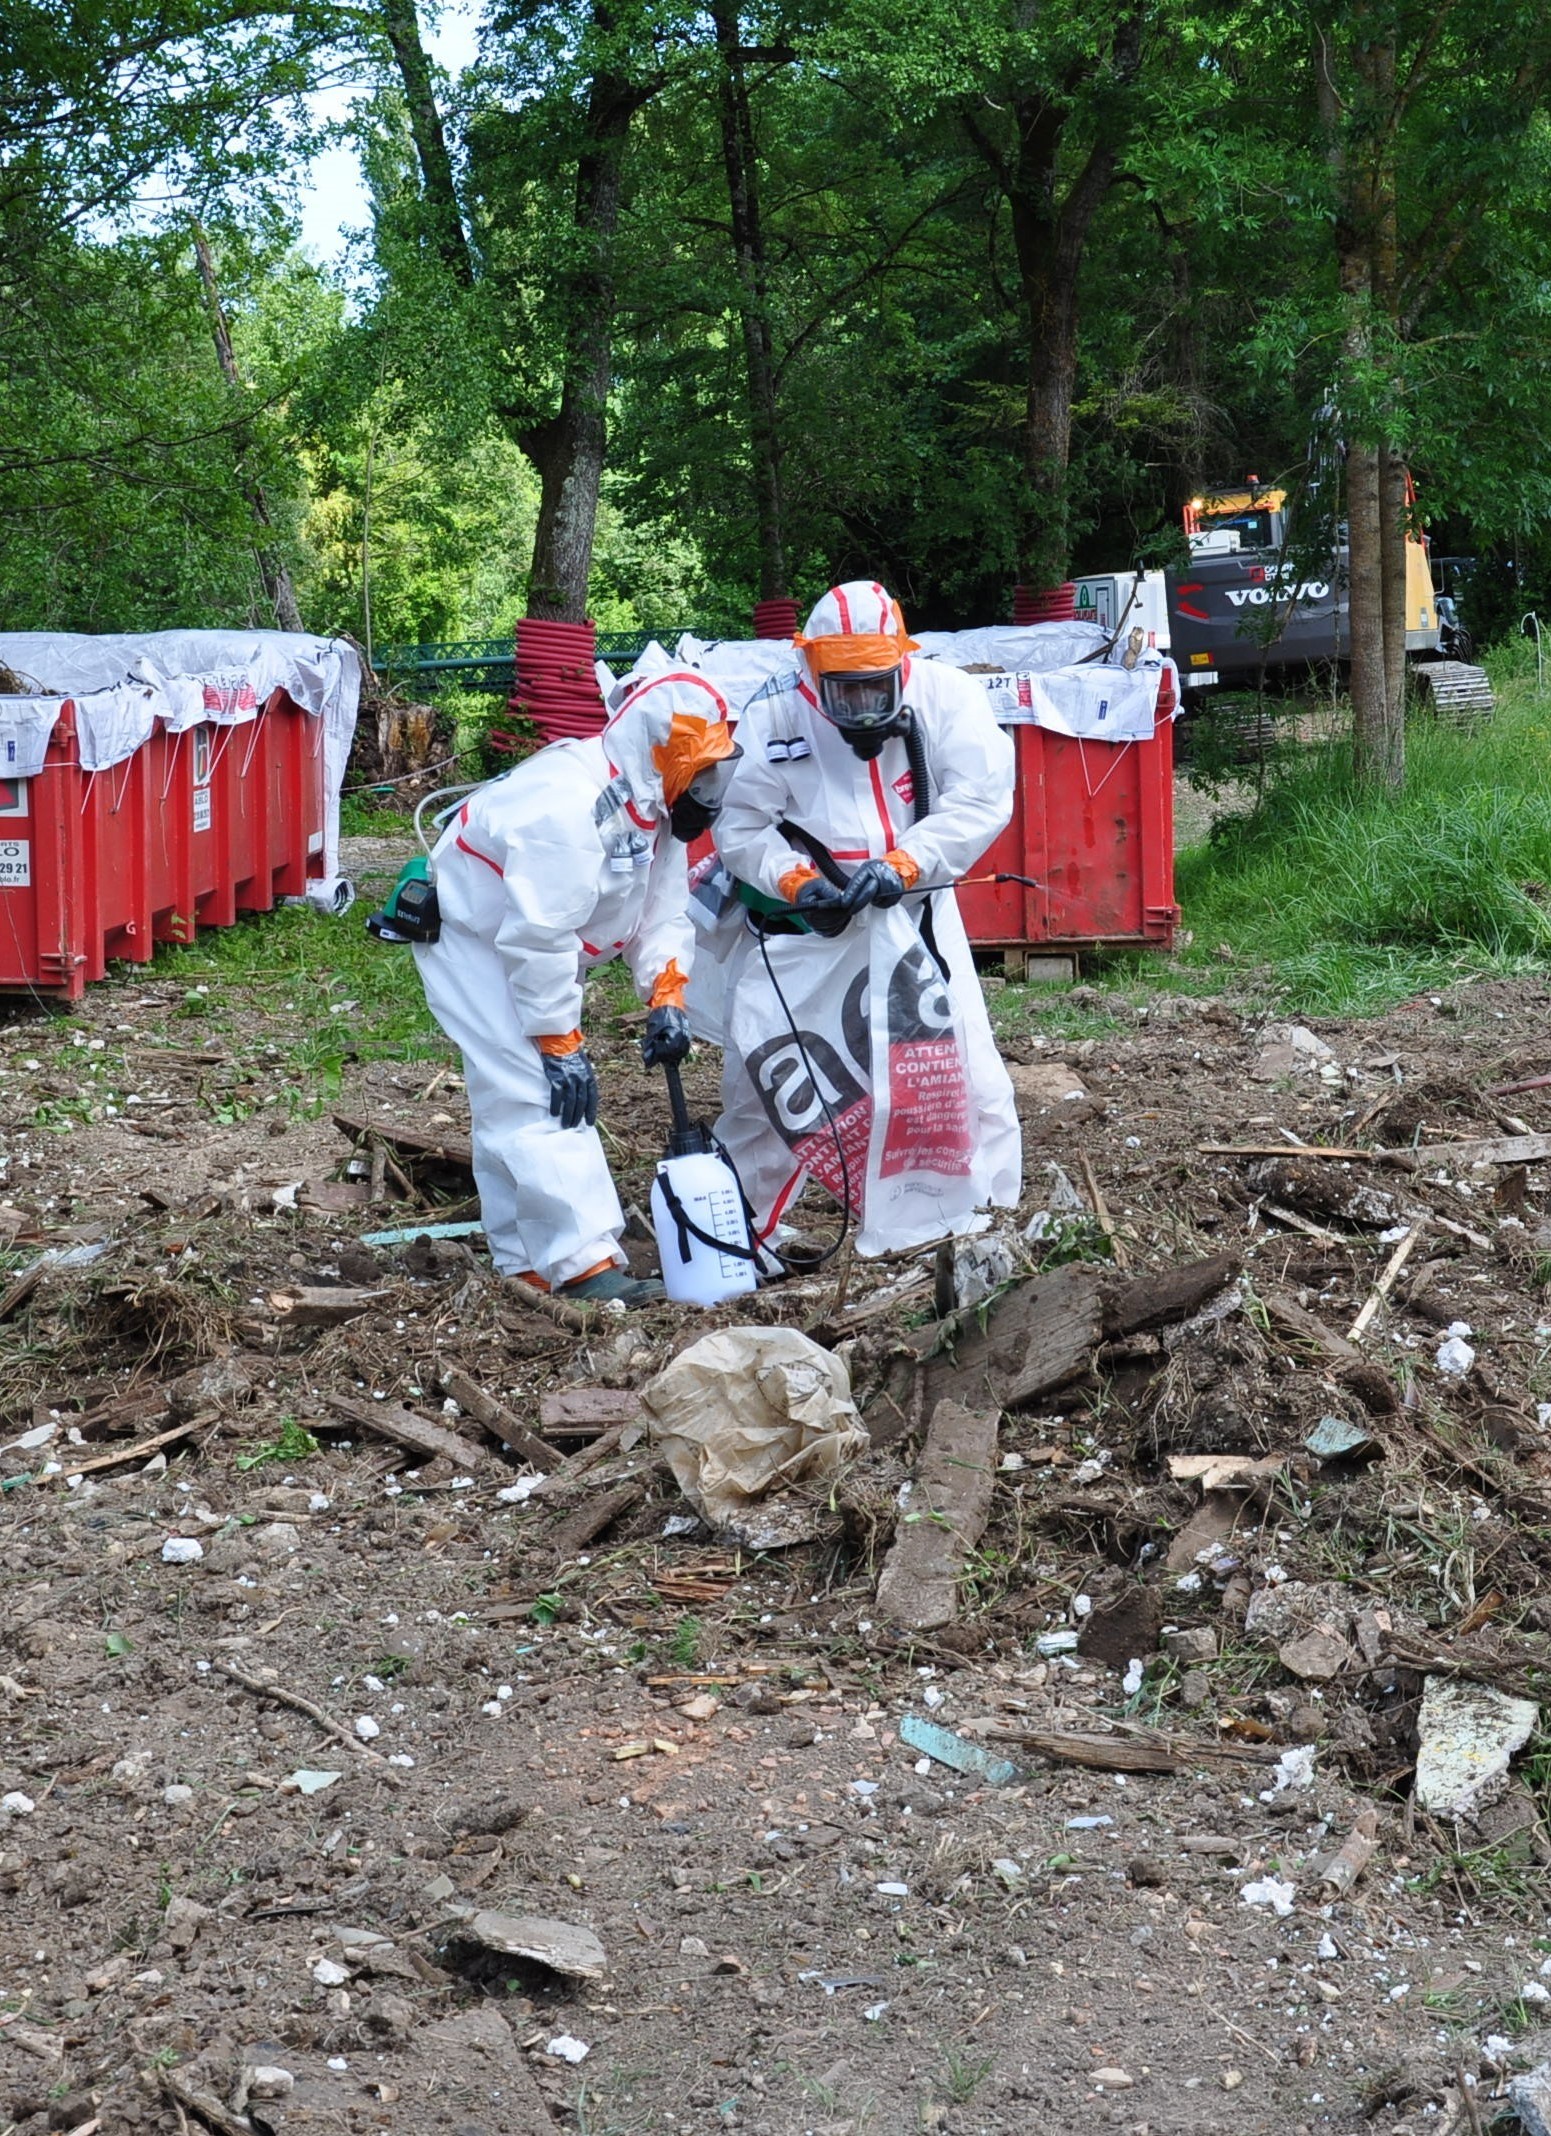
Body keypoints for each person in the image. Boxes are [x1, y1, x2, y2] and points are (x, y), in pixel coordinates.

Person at [711, 579, 1021, 1253]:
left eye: (873, 689)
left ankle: (985, 1221)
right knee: (765, 1082)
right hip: (807, 926)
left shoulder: (946, 700)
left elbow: (981, 800)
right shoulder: (774, 716)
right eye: (842, 690)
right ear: (810, 668)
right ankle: (739, 1236)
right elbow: (739, 825)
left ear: (900, 667)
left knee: (963, 1071)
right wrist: (791, 880)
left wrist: (906, 864)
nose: (858, 706)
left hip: (913, 918)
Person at [414, 669, 737, 1305]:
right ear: (658, 754)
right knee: (538, 1091)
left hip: (533, 943)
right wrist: (560, 1040)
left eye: (716, 774)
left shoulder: (650, 803)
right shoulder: (565, 807)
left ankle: (526, 1259)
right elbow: (538, 935)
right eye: (700, 774)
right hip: (479, 941)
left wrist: (667, 995)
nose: (709, 791)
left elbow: (661, 910)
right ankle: (585, 1263)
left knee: (513, 1097)